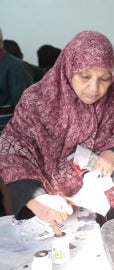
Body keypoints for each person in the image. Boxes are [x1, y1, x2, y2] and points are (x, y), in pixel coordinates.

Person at [0, 31, 114, 231]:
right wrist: (37, 199)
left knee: (109, 245)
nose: (94, 88)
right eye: (85, 76)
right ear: (68, 67)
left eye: (105, 78)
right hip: (55, 201)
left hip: (106, 193)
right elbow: (12, 148)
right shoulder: (38, 101)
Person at [0, 26, 33, 216]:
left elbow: (26, 115)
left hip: (9, 145)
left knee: (9, 189)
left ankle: (14, 224)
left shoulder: (15, 68)